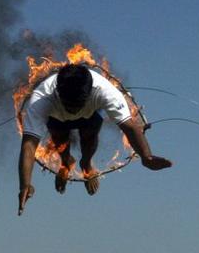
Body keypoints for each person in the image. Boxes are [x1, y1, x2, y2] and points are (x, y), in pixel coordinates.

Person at [17, 63, 172, 214]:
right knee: (59, 137)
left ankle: (86, 164)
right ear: (57, 92)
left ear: (90, 92)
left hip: (89, 118)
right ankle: (66, 163)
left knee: (90, 133)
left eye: (77, 105)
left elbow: (130, 127)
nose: (72, 111)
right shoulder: (41, 98)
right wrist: (25, 184)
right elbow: (29, 146)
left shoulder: (105, 91)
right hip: (57, 119)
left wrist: (146, 156)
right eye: (68, 105)